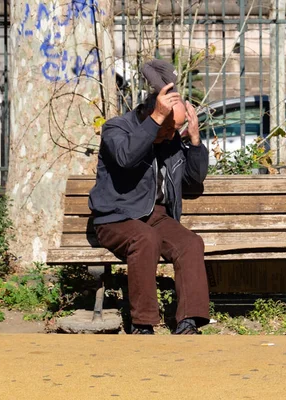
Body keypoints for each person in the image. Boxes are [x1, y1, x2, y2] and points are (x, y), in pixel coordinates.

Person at [89, 59, 210, 335]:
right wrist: (156, 122)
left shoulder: (169, 138)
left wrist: (193, 140)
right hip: (116, 217)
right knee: (145, 238)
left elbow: (192, 180)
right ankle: (143, 324)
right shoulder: (116, 129)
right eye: (169, 127)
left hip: (154, 215)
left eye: (175, 129)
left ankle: (188, 320)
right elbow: (125, 158)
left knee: (190, 243)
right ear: (151, 113)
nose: (171, 134)